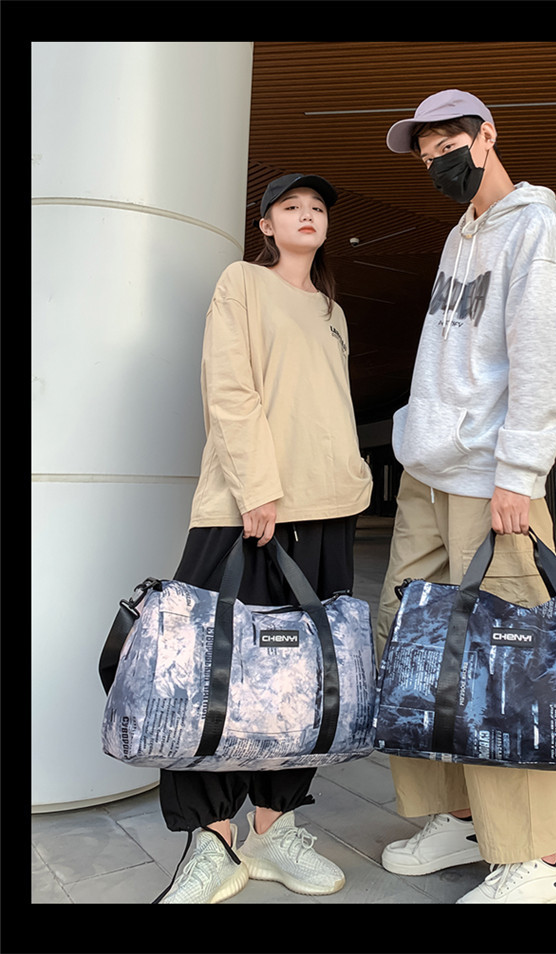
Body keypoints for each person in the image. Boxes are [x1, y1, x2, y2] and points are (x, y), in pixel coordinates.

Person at [376, 90, 556, 904]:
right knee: (413, 648)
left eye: (447, 145)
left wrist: (519, 474)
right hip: (426, 475)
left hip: (491, 482)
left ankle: (537, 860)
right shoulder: (458, 236)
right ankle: (460, 817)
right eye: (425, 154)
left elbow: (542, 355)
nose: (436, 162)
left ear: (488, 136)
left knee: (507, 664)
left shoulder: (535, 229)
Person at [158, 173, 372, 903]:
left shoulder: (333, 312)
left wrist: (353, 479)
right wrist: (257, 487)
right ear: (267, 226)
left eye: (317, 208)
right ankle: (211, 840)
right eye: (291, 207)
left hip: (328, 508)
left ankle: (273, 831)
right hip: (249, 506)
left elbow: (327, 408)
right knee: (208, 671)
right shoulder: (242, 284)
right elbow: (229, 387)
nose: (307, 215)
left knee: (304, 679)